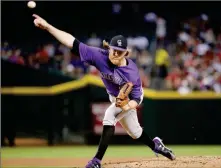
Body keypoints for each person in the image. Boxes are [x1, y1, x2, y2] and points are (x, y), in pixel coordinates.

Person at [32, 14, 175, 168]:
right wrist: (47, 26)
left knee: (109, 116)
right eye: (113, 50)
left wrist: (127, 106)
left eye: (120, 52)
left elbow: (138, 98)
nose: (115, 54)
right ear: (109, 48)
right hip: (115, 97)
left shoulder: (131, 73)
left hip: (129, 100)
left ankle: (96, 161)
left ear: (126, 53)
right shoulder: (100, 56)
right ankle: (156, 145)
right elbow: (71, 42)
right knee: (135, 132)